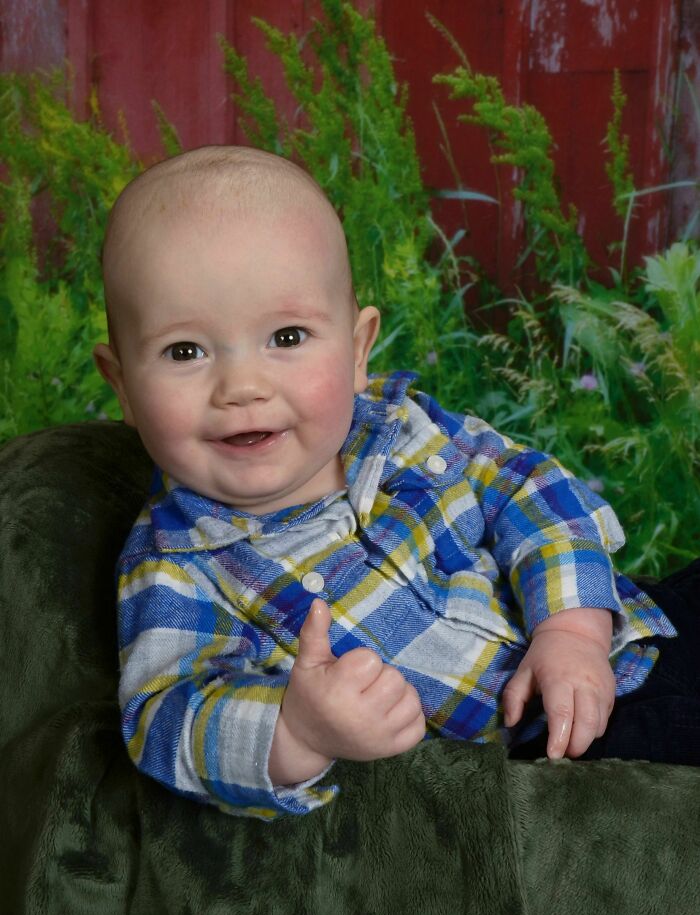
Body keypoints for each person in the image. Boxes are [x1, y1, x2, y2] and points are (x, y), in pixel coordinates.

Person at [93, 145, 696, 821]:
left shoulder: (401, 428)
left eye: (287, 337)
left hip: (613, 632)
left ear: (357, 350)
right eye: (185, 352)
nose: (243, 388)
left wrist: (573, 632)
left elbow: (529, 487)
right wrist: (297, 729)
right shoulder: (181, 566)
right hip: (555, 752)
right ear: (120, 384)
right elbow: (168, 716)